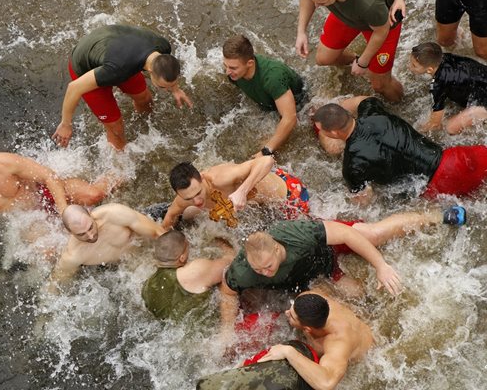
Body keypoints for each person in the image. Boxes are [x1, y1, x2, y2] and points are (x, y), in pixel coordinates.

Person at [220, 207, 466, 329]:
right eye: (259, 270)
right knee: (354, 299)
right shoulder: (244, 270)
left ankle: (438, 216)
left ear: (276, 249)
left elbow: (347, 235)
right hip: (308, 279)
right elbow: (228, 290)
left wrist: (381, 265)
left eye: (267, 266)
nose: (264, 272)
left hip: (325, 253)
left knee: (372, 234)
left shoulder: (297, 234)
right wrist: (226, 330)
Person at [313, 96, 487, 203]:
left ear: (334, 132)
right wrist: (333, 111)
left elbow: (364, 202)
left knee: (479, 201)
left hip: (436, 188)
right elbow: (365, 99)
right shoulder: (374, 111)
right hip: (454, 159)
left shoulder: (352, 165)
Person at [52, 24, 193, 150]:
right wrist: (66, 124)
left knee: (145, 99)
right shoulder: (118, 69)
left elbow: (168, 69)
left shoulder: (162, 47)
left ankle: (144, 126)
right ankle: (119, 165)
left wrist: (175, 89)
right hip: (85, 66)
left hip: (116, 48)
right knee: (116, 129)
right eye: (163, 87)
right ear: (150, 72)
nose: (165, 89)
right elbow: (74, 88)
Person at [296, 0, 406, 102]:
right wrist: (301, 32)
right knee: (324, 59)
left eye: (322, 3)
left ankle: (401, 103)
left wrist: (363, 62)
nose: (316, 5)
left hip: (380, 24)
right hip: (347, 14)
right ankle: (359, 62)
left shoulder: (369, 3)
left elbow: (381, 31)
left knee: (380, 85)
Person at [257, 291, 373, 389]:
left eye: (291, 316)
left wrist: (288, 352)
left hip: (367, 350)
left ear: (307, 329)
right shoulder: (309, 297)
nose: (286, 313)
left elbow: (327, 383)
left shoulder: (337, 343)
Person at [162, 157, 310, 230]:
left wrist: (242, 191)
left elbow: (267, 161)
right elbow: (170, 217)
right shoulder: (184, 199)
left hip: (289, 194)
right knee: (189, 215)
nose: (197, 201)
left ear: (201, 178)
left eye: (198, 193)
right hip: (258, 204)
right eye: (189, 198)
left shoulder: (220, 178)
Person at [0, 151, 109, 215]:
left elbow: (48, 177)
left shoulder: (2, 163)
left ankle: (121, 169)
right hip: (27, 218)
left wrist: (65, 212)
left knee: (94, 195)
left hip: (42, 192)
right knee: (48, 252)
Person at [48, 203, 165, 290]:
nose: (90, 235)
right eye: (81, 234)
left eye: (90, 227)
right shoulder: (73, 255)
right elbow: (56, 283)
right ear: (70, 232)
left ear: (91, 215)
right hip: (122, 269)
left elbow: (158, 232)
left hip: (146, 244)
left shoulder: (114, 214)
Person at [223, 35, 305, 158]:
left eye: (233, 68)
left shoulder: (272, 78)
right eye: (225, 66)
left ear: (250, 63)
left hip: (300, 104)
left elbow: (290, 118)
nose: (227, 72)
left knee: (265, 150)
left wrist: (266, 150)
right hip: (270, 104)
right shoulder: (234, 74)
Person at [409, 42, 487, 135]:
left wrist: (417, 131)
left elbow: (435, 124)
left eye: (414, 65)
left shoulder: (438, 85)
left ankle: (485, 126)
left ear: (429, 69)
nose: (409, 67)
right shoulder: (445, 57)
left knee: (450, 128)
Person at [142, 230, 235, 321]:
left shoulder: (147, 285)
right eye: (188, 248)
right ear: (182, 258)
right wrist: (223, 242)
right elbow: (230, 263)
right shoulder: (194, 271)